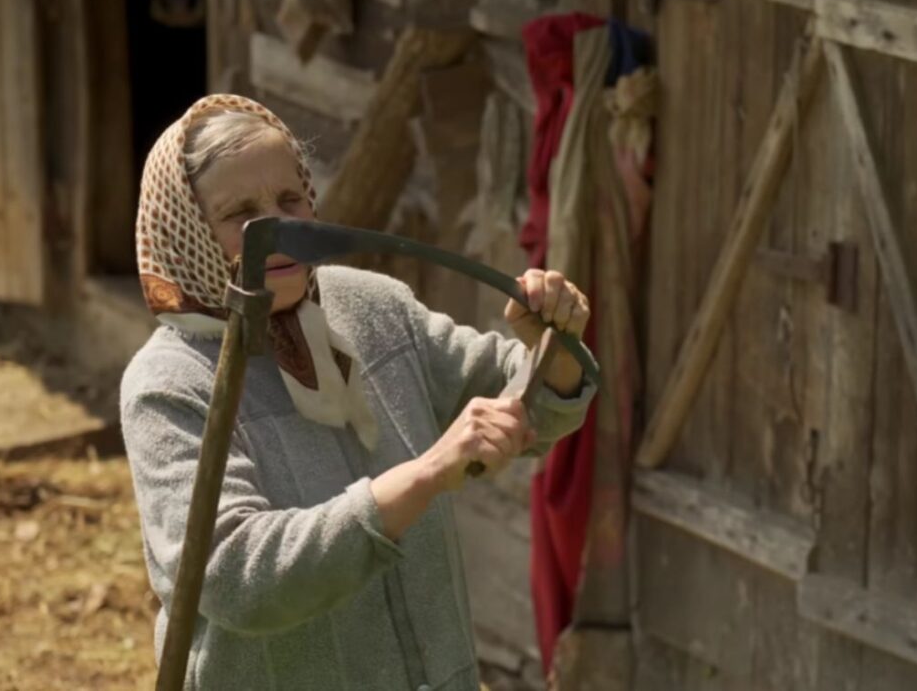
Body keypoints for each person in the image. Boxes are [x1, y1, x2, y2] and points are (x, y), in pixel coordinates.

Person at [121, 95, 596, 690]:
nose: (279, 228)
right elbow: (233, 577)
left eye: (290, 199)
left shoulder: (372, 308)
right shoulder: (170, 382)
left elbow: (530, 407)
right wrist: (423, 477)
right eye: (240, 214)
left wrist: (549, 346)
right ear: (186, 229)